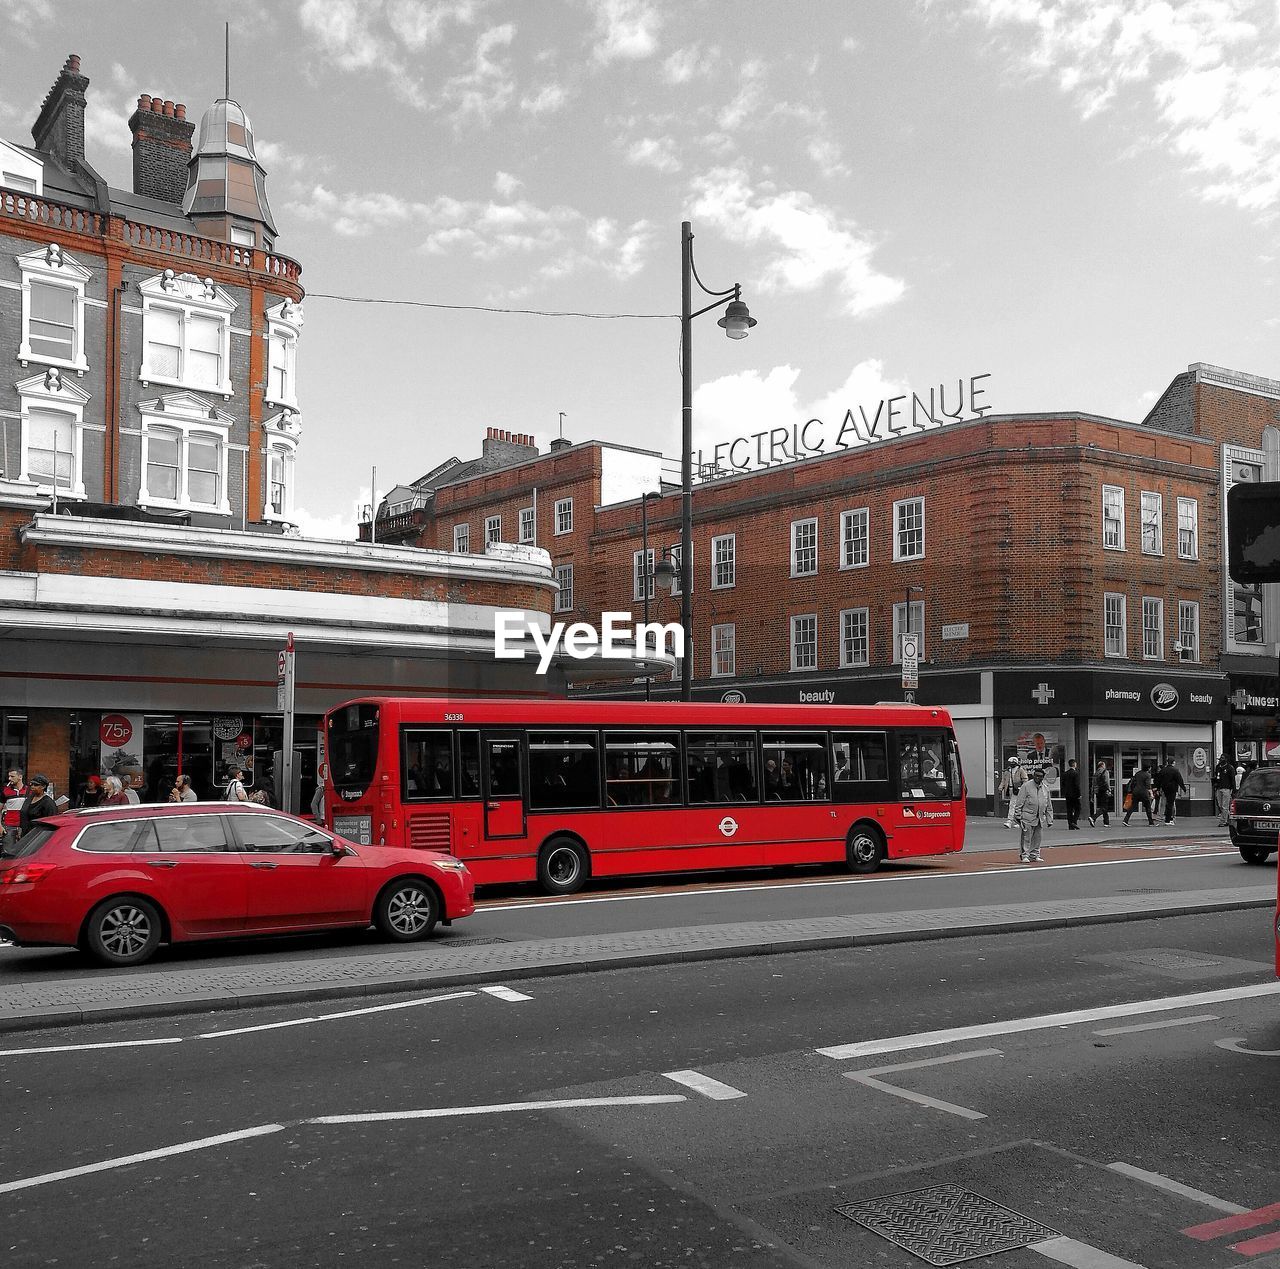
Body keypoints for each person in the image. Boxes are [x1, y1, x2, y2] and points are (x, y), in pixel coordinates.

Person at [1012, 765, 1053, 862]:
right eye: (1036, 776)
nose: (1038, 778)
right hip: (1027, 816)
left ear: (1043, 777)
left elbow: (1048, 804)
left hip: (1039, 817)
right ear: (1033, 776)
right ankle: (1024, 855)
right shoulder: (1026, 786)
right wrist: (1018, 816)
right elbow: (1019, 802)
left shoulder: (1045, 788)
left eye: (1040, 776)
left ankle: (1034, 854)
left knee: (1037, 837)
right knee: (1026, 837)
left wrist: (1049, 818)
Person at [2, 768, 27, 850]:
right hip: (9, 826)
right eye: (9, 776)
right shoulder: (5, 791)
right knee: (8, 852)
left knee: (24, 852)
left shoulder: (29, 790)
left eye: (12, 776)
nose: (9, 779)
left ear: (20, 777)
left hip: (24, 826)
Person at [1157, 760, 1187, 825]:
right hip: (1172, 789)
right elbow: (1180, 780)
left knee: (1167, 803)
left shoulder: (1163, 770)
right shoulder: (1175, 770)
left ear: (1167, 763)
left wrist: (1158, 789)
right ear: (1173, 762)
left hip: (1165, 789)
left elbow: (1158, 780)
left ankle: (1167, 818)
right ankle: (1168, 820)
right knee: (1170, 804)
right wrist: (1184, 788)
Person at [999, 756, 1026, 828]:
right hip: (1010, 789)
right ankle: (1017, 821)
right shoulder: (1007, 771)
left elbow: (1025, 779)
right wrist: (1000, 788)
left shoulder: (1020, 770)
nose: (1011, 764)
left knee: (1012, 805)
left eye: (1013, 763)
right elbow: (1004, 780)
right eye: (1011, 763)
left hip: (1018, 790)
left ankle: (1009, 821)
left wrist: (1022, 788)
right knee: (1015, 805)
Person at [1212, 755, 1236, 826]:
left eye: (1222, 758)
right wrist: (1214, 782)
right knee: (1220, 805)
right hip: (1219, 788)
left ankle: (1223, 821)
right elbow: (1216, 776)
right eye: (1220, 758)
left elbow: (1232, 779)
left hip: (1226, 788)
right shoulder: (1218, 767)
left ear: (1226, 759)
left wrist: (1233, 790)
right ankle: (1229, 819)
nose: (1220, 760)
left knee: (1224, 806)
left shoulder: (1230, 768)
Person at [1060, 758, 1082, 829]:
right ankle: (1074, 821)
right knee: (1078, 808)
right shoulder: (1075, 774)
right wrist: (1079, 794)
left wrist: (1064, 793)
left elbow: (1062, 784)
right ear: (1074, 764)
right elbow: (1076, 785)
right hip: (1075, 795)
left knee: (1069, 810)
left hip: (1068, 795)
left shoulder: (1065, 774)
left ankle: (1070, 825)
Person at [1089, 760, 1112, 827]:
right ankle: (1093, 818)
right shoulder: (1105, 771)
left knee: (1104, 806)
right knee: (1104, 807)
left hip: (1098, 791)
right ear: (1102, 765)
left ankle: (1106, 822)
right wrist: (1109, 789)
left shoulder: (1095, 773)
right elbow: (1107, 782)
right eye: (1104, 765)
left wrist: (1092, 795)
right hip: (1104, 790)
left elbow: (1093, 785)